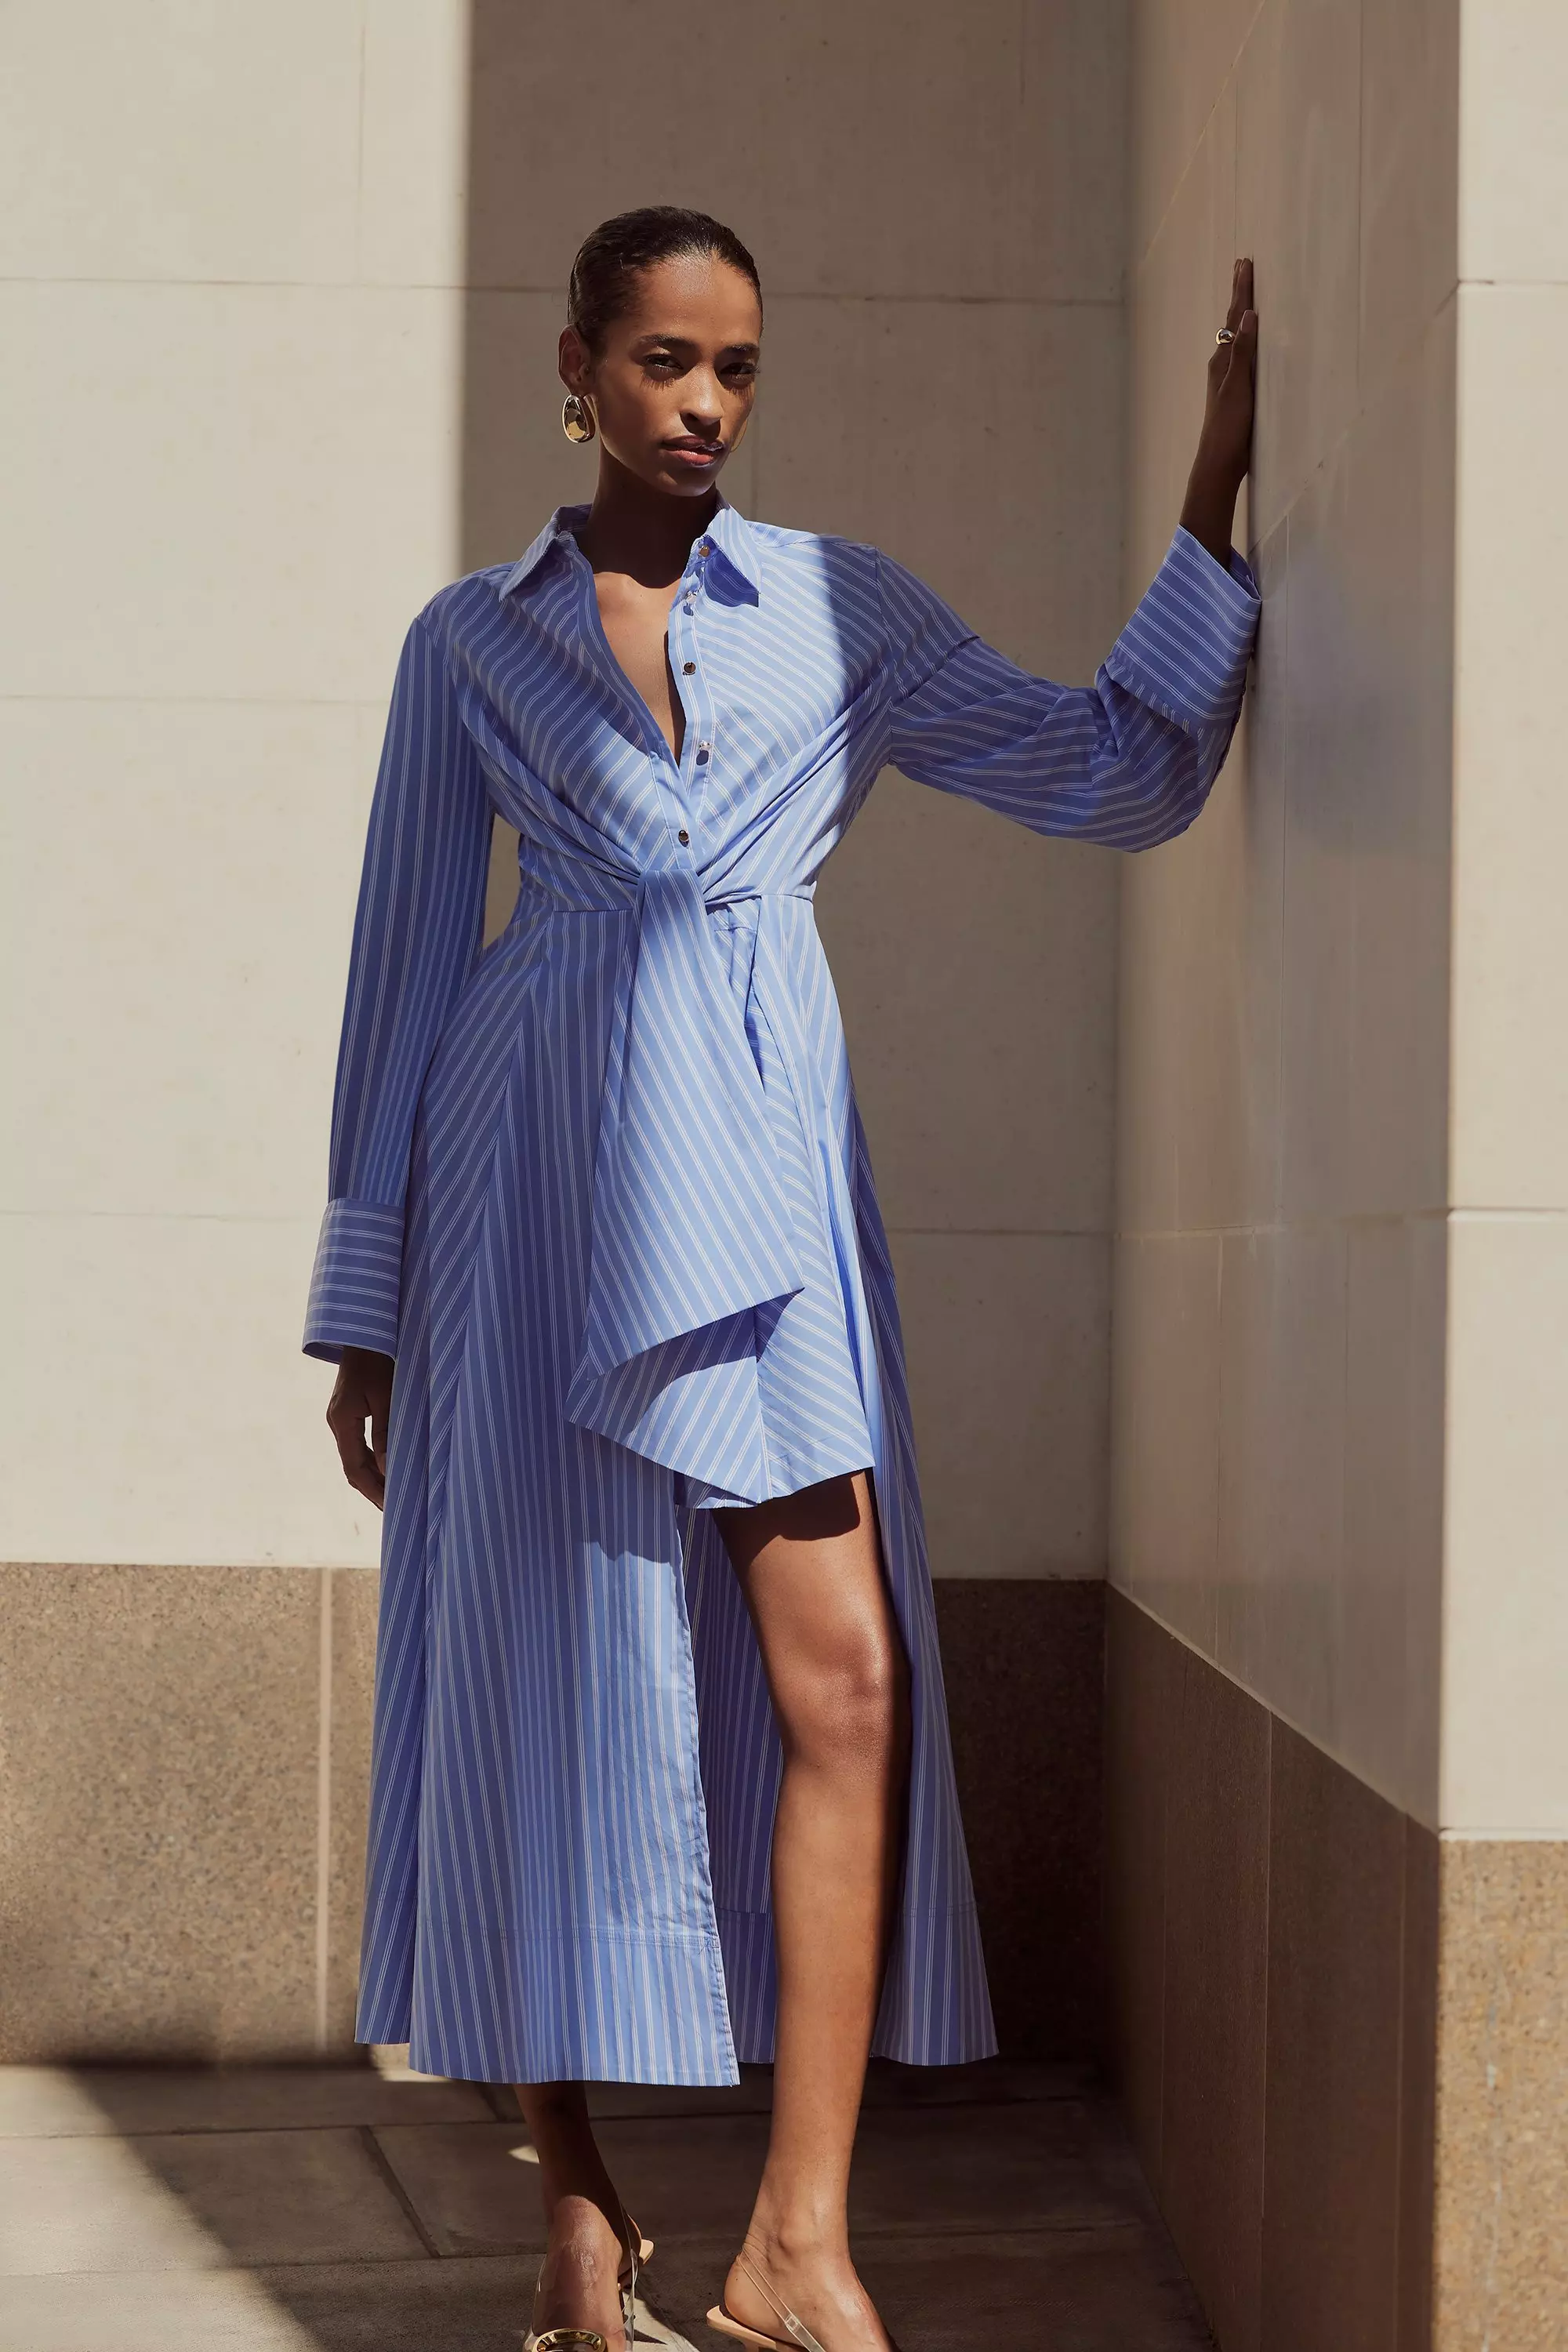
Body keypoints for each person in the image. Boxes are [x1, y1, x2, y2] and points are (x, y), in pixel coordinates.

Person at [307, 206, 1259, 2352]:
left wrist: (1206, 498)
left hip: (755, 1175)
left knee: (843, 1677)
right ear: (581, 363)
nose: (707, 402)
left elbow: (1114, 767)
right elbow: (397, 963)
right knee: (528, 1688)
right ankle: (572, 2207)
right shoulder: (471, 640)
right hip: (525, 1187)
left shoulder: (841, 609)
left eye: (738, 364)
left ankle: (796, 2245)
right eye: (664, 360)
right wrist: (363, 1296)